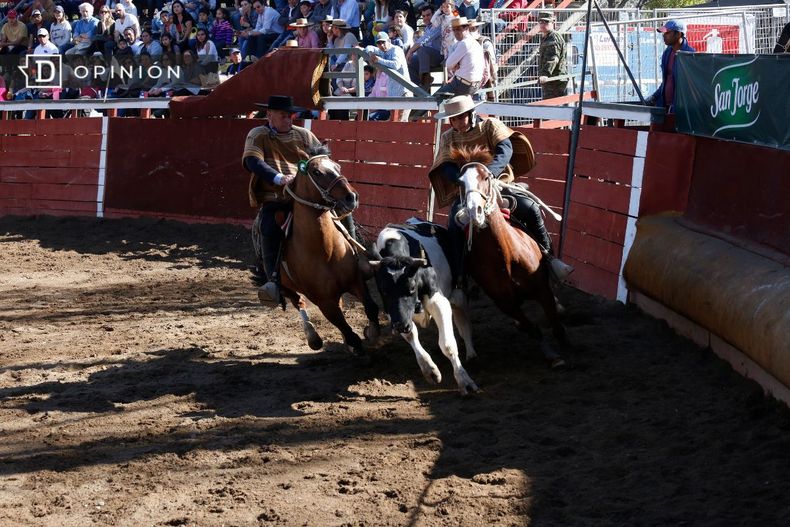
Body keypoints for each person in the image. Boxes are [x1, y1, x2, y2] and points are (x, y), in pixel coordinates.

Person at [428, 95, 574, 297]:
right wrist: (465, 180)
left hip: (499, 182)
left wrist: (489, 174)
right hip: (469, 190)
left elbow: (506, 149)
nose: (457, 123)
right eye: (453, 119)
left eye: (460, 117)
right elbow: (445, 166)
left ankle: (550, 260)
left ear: (471, 114)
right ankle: (460, 279)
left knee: (529, 208)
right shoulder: (448, 138)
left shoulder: (490, 125)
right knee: (454, 225)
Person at [242, 95, 358, 304]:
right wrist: (278, 177)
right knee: (269, 227)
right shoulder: (258, 135)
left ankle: (356, 258)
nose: (288, 119)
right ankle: (274, 281)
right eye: (283, 115)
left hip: (309, 196)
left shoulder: (304, 135)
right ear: (269, 115)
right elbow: (252, 160)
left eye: (290, 115)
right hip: (276, 196)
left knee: (343, 211)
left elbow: (321, 160)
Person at [645, 19, 694, 112]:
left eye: (667, 33)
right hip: (665, 107)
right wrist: (655, 96)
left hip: (682, 111)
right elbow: (667, 80)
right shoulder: (667, 53)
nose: (664, 35)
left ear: (679, 34)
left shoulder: (690, 55)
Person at [434, 17, 484, 100]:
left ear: (467, 29)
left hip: (462, 84)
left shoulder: (464, 43)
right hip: (473, 85)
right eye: (454, 30)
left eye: (458, 29)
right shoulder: (473, 42)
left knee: (435, 99)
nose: (456, 32)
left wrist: (456, 64)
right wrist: (456, 63)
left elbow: (448, 64)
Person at [406, 4, 441, 91]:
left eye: (428, 15)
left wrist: (410, 51)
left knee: (421, 49)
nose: (426, 18)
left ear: (434, 15)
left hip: (440, 56)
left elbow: (425, 39)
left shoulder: (438, 25)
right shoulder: (427, 28)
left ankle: (425, 80)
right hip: (427, 57)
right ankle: (418, 90)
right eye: (423, 16)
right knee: (411, 62)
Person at [537, 12, 567, 100]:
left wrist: (545, 74)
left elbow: (553, 58)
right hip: (551, 80)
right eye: (541, 22)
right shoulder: (546, 37)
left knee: (551, 108)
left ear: (552, 23)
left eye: (546, 22)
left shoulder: (553, 37)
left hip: (555, 80)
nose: (543, 24)